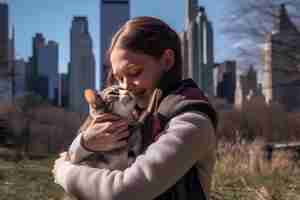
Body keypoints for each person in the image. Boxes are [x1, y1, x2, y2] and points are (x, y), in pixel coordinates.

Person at [52, 16, 217, 200]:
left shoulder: (192, 121)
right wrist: (85, 143)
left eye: (134, 72)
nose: (125, 87)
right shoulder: (131, 111)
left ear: (167, 61)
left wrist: (63, 171)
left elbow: (123, 191)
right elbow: (77, 153)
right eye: (119, 78)